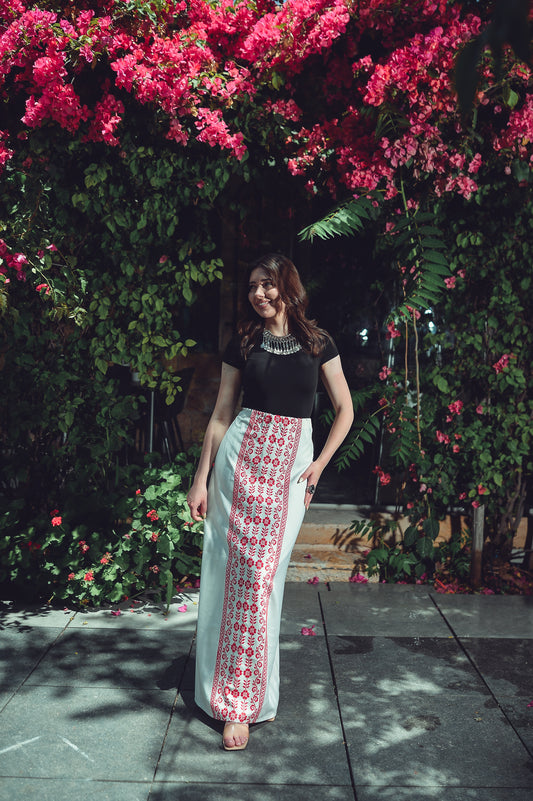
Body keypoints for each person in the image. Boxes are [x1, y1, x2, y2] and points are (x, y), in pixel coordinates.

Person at [186, 253, 354, 751]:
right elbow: (220, 416)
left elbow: (345, 409)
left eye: (268, 285)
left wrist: (320, 464)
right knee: (233, 577)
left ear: (288, 288)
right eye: (254, 286)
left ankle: (244, 694)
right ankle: (233, 701)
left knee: (262, 579)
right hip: (239, 464)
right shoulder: (243, 343)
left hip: (290, 471)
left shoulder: (318, 343)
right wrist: (201, 478)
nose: (259, 293)